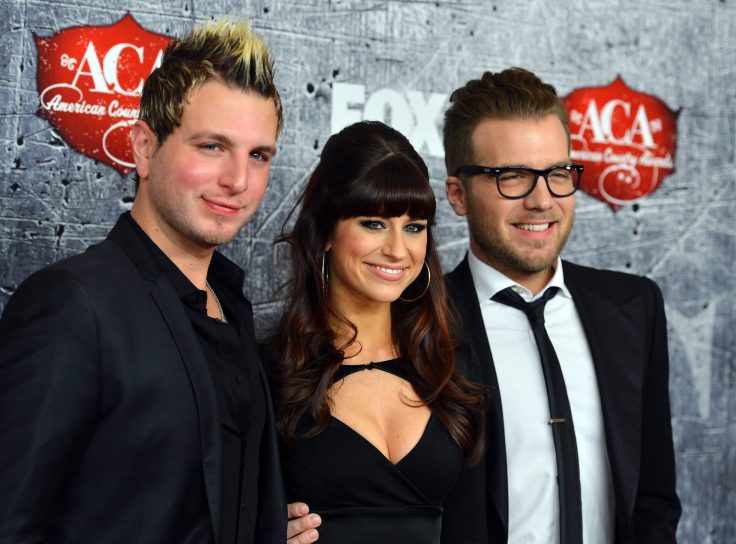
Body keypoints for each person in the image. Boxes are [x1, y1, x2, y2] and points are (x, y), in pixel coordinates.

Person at [0, 19, 318, 544]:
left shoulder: (231, 307)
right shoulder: (72, 305)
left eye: (258, 155)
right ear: (144, 148)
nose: (238, 180)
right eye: (212, 147)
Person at [442, 67, 682, 543]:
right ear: (457, 195)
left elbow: (653, 496)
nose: (541, 200)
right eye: (511, 176)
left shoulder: (634, 308)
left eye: (556, 174)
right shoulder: (418, 319)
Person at [262, 120, 488, 544]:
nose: (398, 250)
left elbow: (472, 528)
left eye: (414, 227)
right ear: (327, 230)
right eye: (374, 223)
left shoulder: (452, 366)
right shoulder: (269, 373)